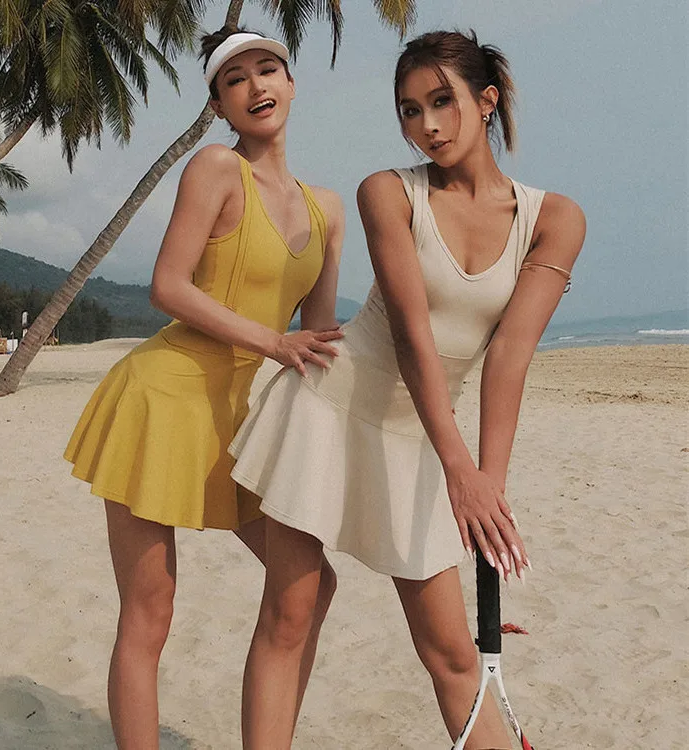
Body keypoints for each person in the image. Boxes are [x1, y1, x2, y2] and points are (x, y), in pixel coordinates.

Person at [229, 29, 586, 749]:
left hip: (420, 438)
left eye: (442, 102)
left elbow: (508, 357)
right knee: (290, 615)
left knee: (452, 654)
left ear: (486, 101)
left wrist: (488, 488)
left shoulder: (554, 219)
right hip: (330, 409)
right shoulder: (387, 192)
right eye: (410, 110)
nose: (427, 125)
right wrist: (460, 469)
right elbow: (411, 337)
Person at [63, 25, 345, 750]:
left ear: (291, 83)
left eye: (267, 69)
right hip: (162, 400)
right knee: (150, 608)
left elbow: (317, 342)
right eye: (234, 80)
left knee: (311, 588)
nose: (256, 86)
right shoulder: (217, 167)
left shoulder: (327, 208)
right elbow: (168, 286)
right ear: (219, 106)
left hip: (245, 419)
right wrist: (273, 343)